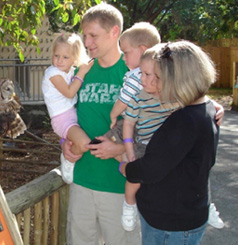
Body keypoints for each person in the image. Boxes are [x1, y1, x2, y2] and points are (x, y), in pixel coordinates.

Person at [120, 40, 221, 244]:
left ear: (178, 78)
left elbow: (150, 169)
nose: (155, 83)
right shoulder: (206, 109)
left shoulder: (184, 121)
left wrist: (126, 167)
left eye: (159, 77)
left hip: (171, 225)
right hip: (181, 216)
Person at [62, 3, 142, 244]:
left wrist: (119, 149)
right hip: (82, 181)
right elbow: (66, 116)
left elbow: (156, 125)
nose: (87, 43)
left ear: (114, 32)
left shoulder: (135, 73)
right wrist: (64, 142)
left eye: (93, 35)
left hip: (120, 185)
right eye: (85, 36)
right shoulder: (81, 72)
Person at [41, 33, 94, 184]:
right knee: (84, 143)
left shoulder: (70, 71)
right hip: (62, 119)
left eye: (65, 57)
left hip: (72, 115)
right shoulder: (53, 73)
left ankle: (69, 148)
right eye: (56, 55)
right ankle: (68, 159)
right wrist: (82, 73)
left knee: (82, 140)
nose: (59, 61)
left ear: (74, 58)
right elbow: (70, 93)